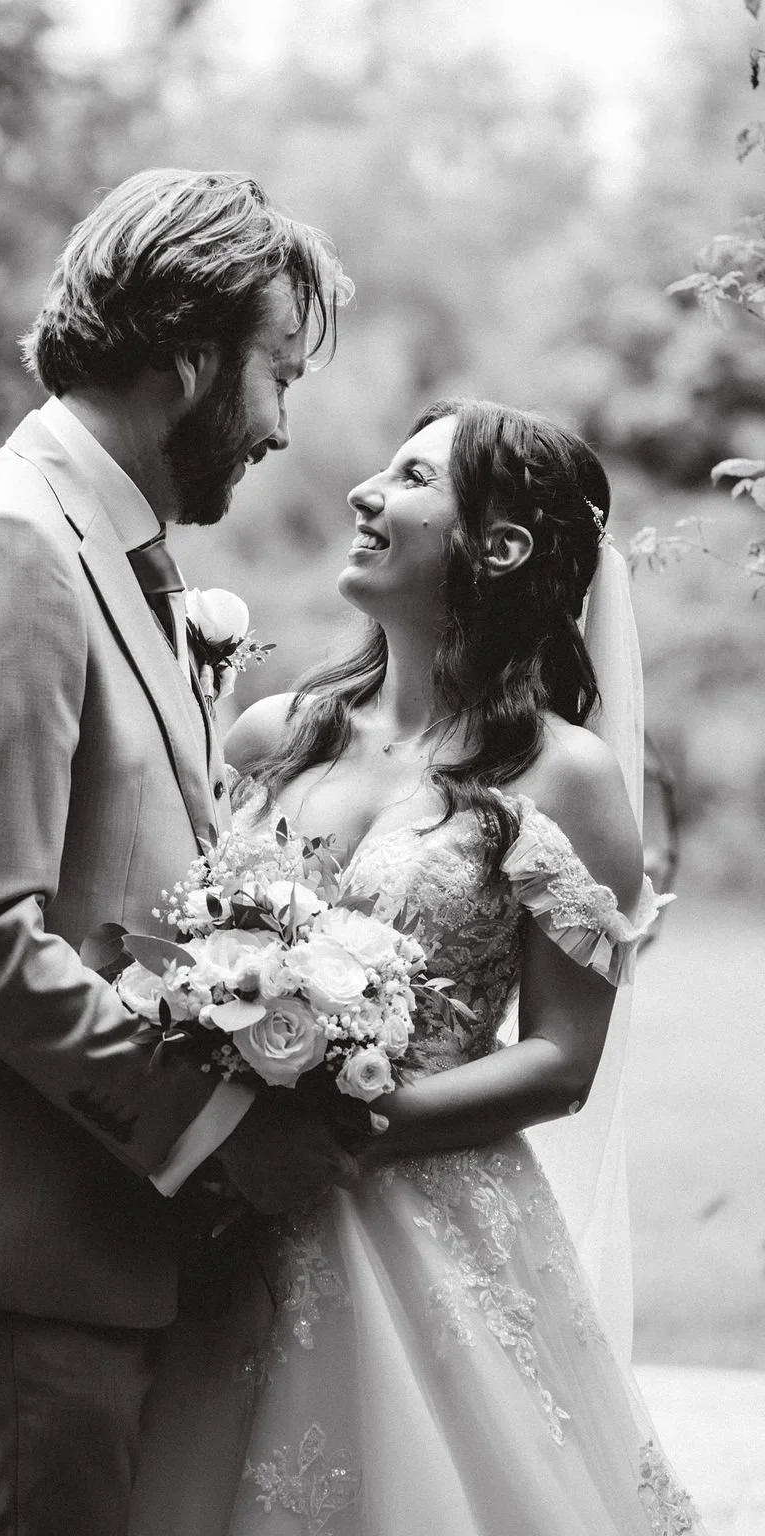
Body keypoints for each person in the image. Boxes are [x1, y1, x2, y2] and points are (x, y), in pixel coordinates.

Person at [0, 168, 357, 1536]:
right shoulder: (6, 552)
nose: (280, 425)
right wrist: (224, 1129)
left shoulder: (106, 550)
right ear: (187, 357)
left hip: (87, 1231)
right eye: (276, 373)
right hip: (22, 1237)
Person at [128, 399, 706, 1535]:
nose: (364, 492)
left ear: (500, 545)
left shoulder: (566, 777)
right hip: (212, 1216)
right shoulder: (272, 735)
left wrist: (338, 1130)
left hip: (423, 1223)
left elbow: (561, 1059)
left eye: (411, 479)